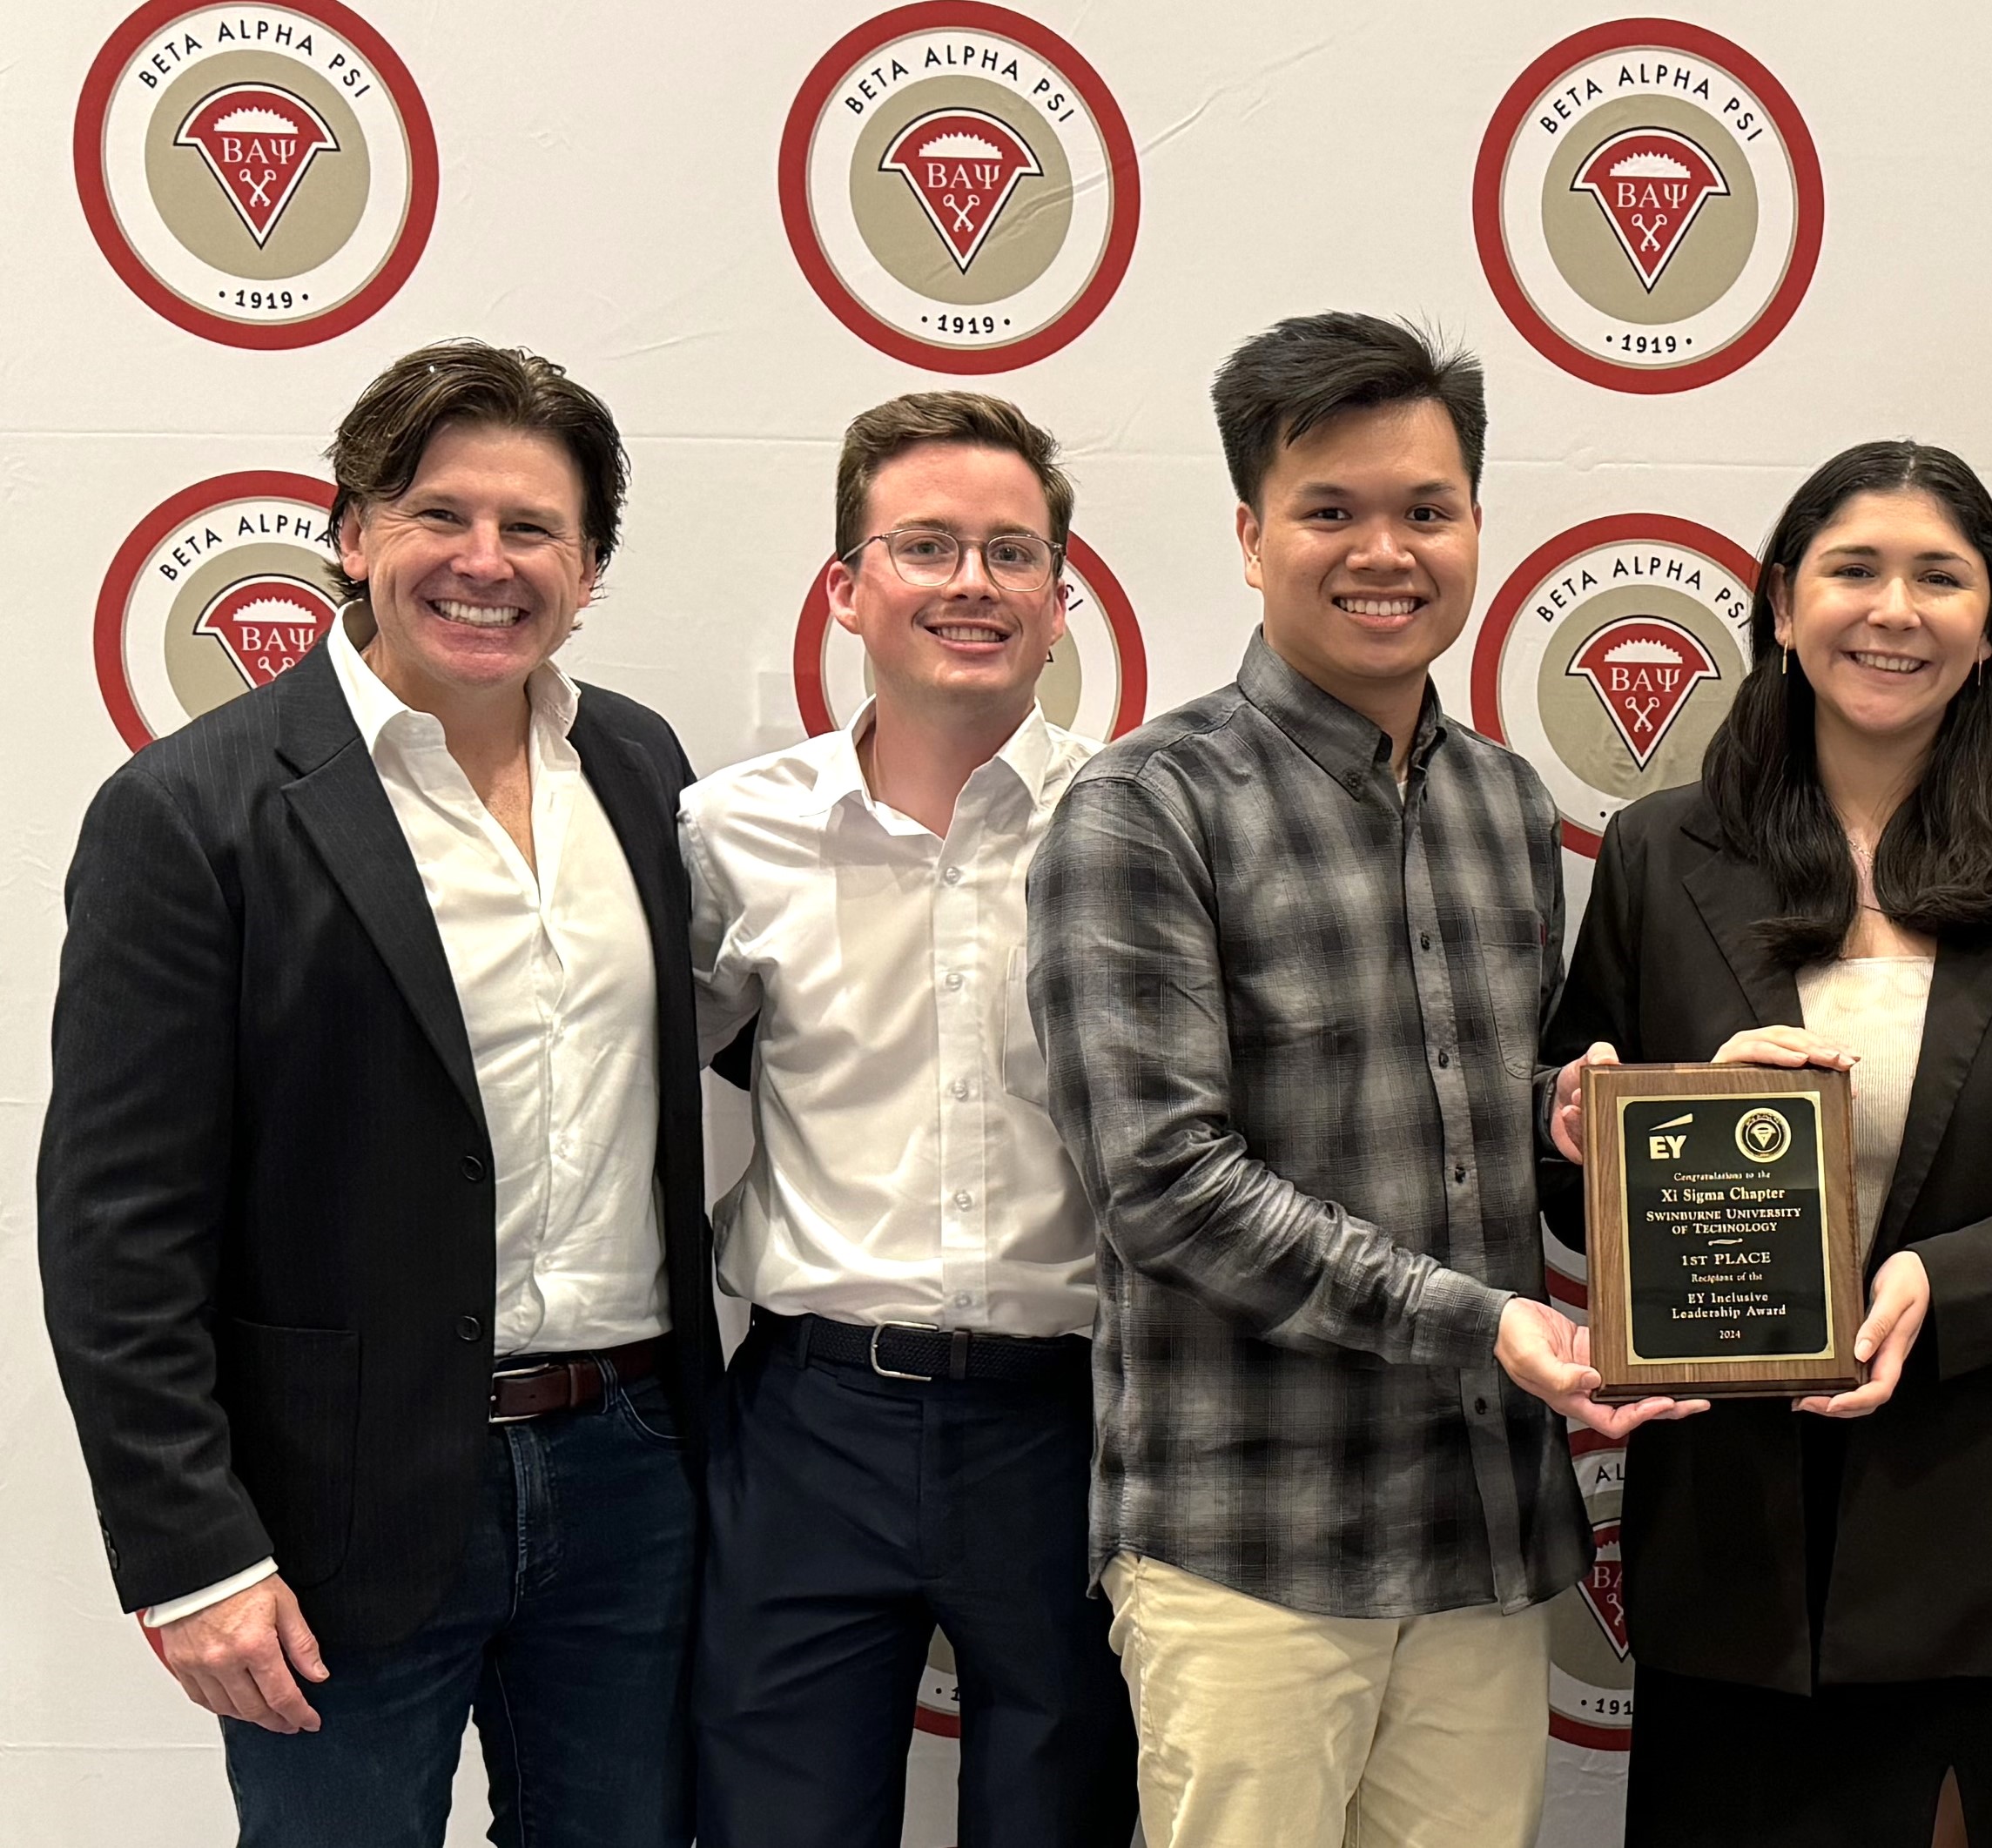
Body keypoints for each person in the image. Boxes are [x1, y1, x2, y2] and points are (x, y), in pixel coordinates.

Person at [37, 339, 719, 1847]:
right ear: (352, 533)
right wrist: (191, 1555)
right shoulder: (190, 811)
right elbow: (116, 1227)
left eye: (533, 529)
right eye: (438, 516)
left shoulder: (635, 762)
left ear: (590, 567)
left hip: (629, 1473)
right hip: (332, 1509)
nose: (487, 563)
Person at [1024, 312, 1687, 1848]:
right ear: (1252, 540)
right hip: (1251, 1544)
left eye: (1425, 510)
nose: (1383, 550)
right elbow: (1162, 1186)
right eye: (1331, 511)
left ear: (1474, 531)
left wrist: (1569, 1129)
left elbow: (1466, 1128)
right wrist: (1487, 1324)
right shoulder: (1145, 805)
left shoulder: (1504, 805)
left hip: (1484, 1536)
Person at [1541, 440, 1992, 1846]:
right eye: (1853, 569)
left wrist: (1938, 1287)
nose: (1892, 610)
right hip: (1732, 1539)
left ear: (1991, 625)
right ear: (1783, 607)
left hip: (1991, 1532)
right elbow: (1574, 1177)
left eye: (1939, 577)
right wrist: (1597, 1124)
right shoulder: (1663, 853)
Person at [680, 392, 1138, 1846]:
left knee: (1061, 1825)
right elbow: (605, 1090)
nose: (971, 585)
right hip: (813, 1421)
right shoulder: (729, 831)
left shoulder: (1142, 819)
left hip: (1073, 1425)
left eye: (1012, 553)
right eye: (926, 546)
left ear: (1061, 600)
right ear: (846, 588)